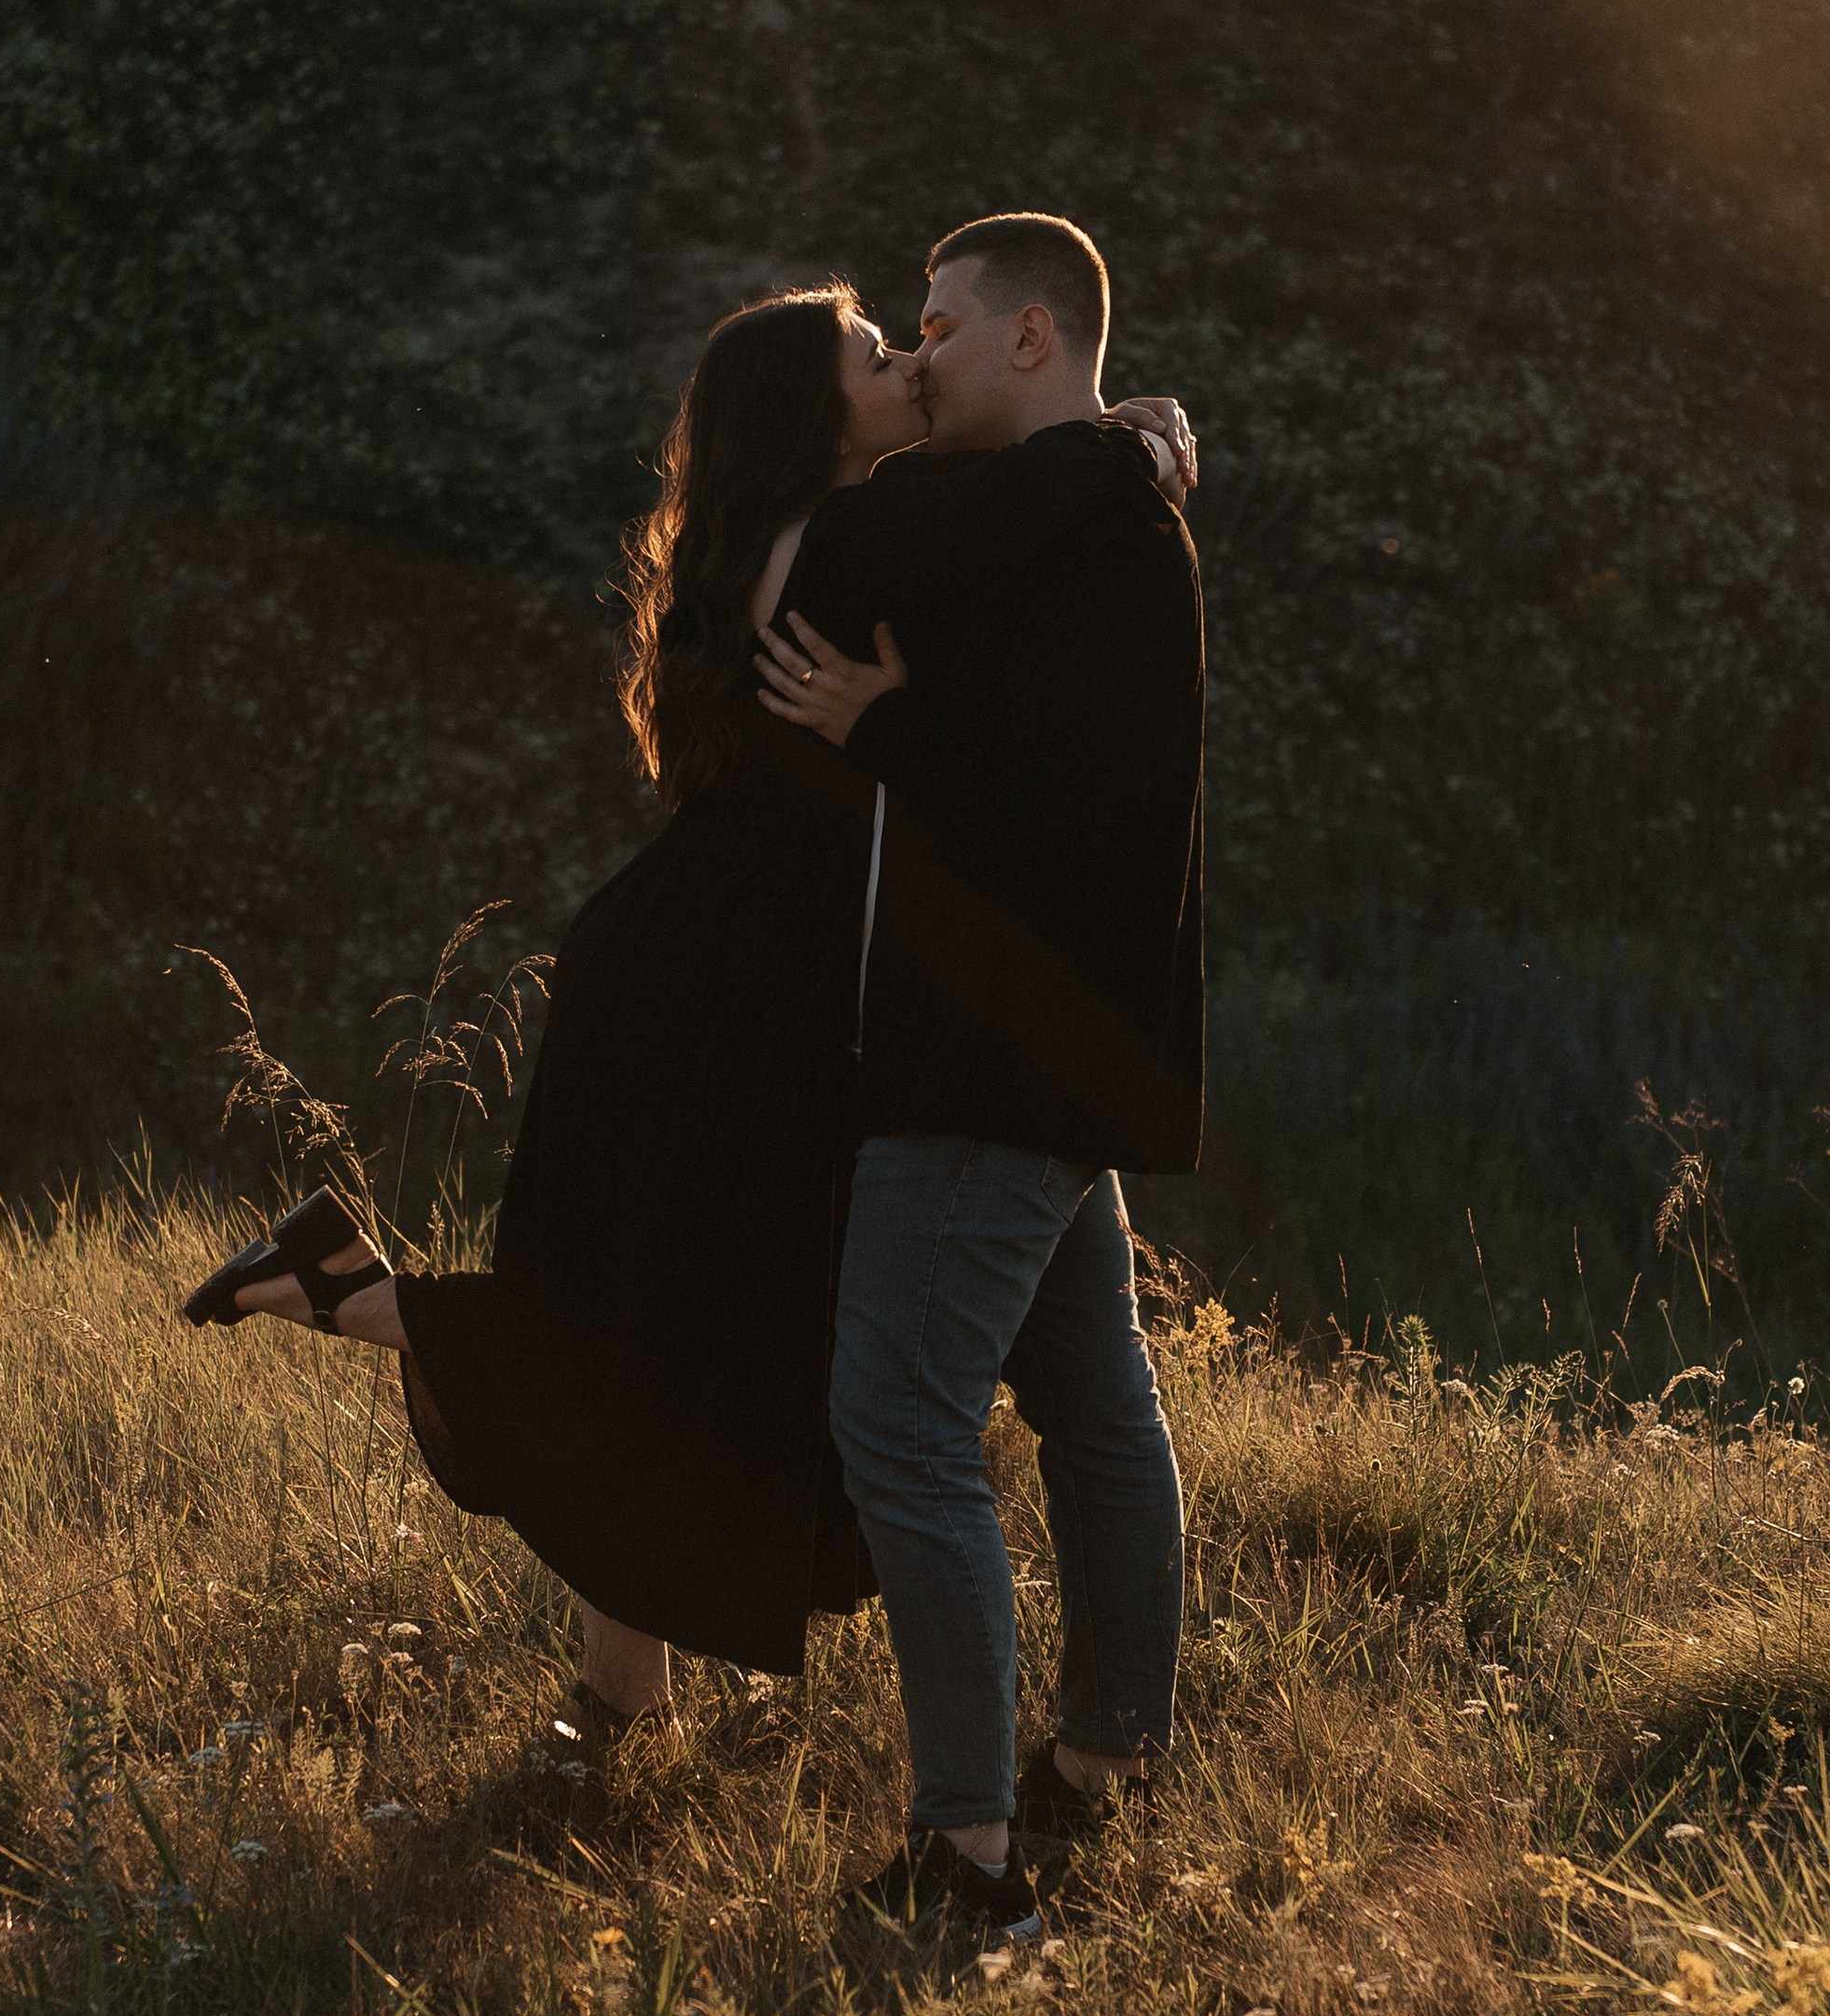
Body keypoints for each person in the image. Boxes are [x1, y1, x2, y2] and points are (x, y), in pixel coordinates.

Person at [181, 275, 1196, 1762]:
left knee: (664, 1323)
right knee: (670, 1329)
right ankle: (351, 1302)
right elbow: (1018, 518)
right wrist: (1131, 443)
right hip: (724, 999)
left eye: (910, 337)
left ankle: (610, 1677)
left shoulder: (773, 542)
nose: (906, 359)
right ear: (809, 408)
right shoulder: (851, 543)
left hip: (685, 970)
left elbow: (978, 514)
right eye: (872, 350)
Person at [754, 212, 1204, 1951]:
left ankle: (970, 1861)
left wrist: (889, 731)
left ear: (1032, 338)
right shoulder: (1078, 515)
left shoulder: (1101, 542)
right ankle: (1112, 1756)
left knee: (904, 1429)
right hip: (1042, 1048)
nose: (919, 353)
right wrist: (1137, 444)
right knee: (1096, 1401)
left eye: (939, 325)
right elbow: (889, 541)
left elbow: (1071, 819)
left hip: (996, 1061)